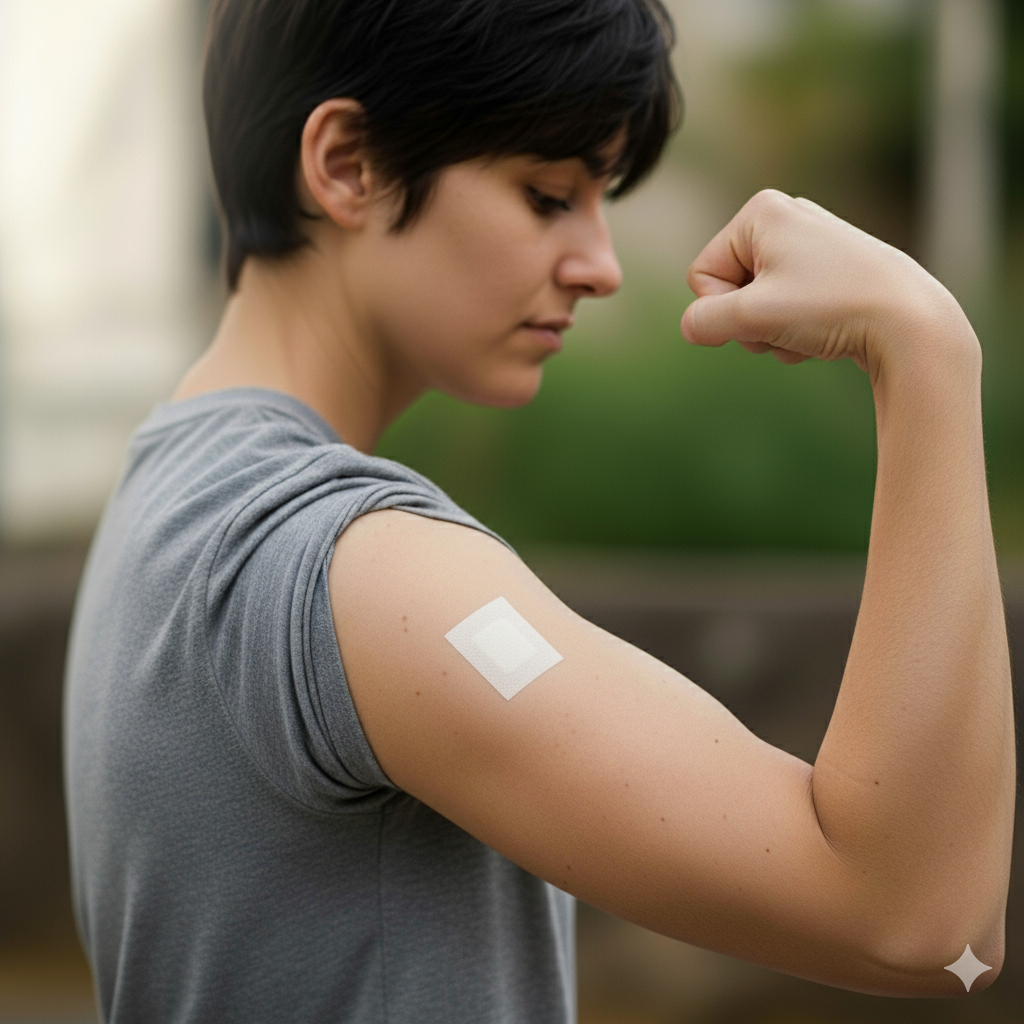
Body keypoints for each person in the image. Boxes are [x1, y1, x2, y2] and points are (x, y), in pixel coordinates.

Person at [63, 0, 1015, 1021]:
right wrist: (922, 350)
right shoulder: (357, 570)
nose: (599, 266)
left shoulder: (166, 493)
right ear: (346, 164)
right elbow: (922, 923)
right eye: (546, 195)